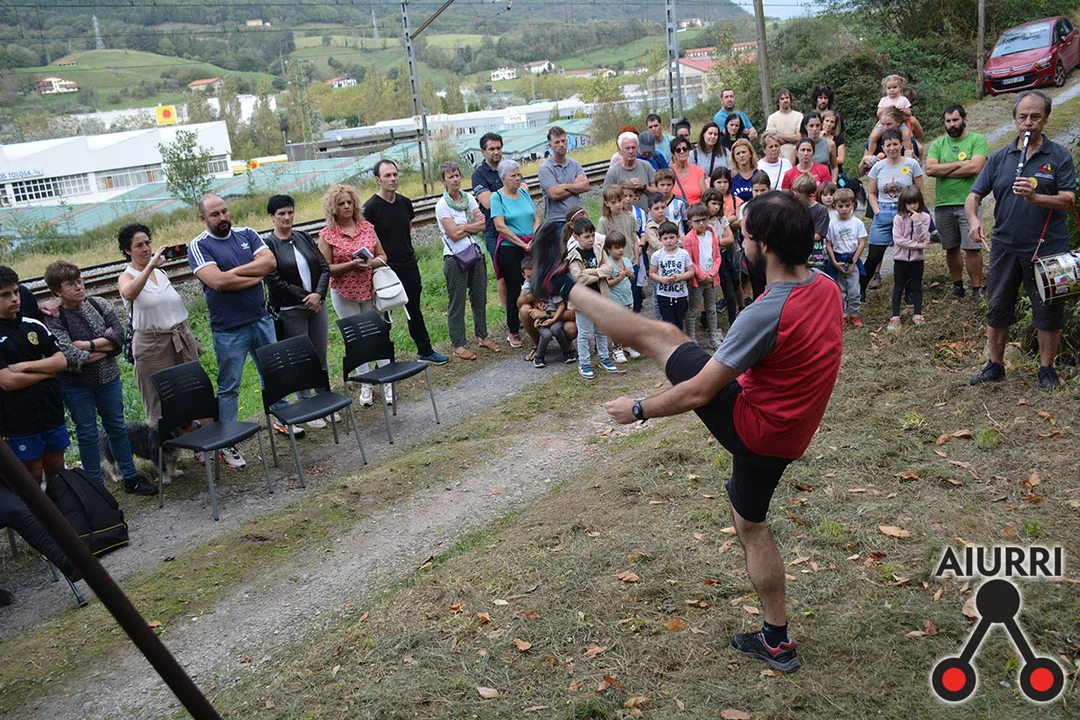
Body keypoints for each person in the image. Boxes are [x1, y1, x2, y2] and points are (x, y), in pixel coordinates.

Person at [530, 190, 843, 673]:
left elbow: (698, 392)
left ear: (766, 247)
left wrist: (639, 409)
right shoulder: (826, 287)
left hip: (756, 430)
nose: (740, 242)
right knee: (751, 524)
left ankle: (560, 285)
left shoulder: (766, 312)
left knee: (665, 336)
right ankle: (776, 640)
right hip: (790, 432)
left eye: (745, 236)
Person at [966, 90, 1076, 390]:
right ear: (1015, 119)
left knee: (1048, 309)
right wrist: (974, 220)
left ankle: (1046, 370)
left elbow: (1068, 200)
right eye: (1023, 117)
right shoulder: (1000, 157)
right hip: (1005, 245)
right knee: (998, 305)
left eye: (1035, 117)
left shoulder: (1058, 156)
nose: (1029, 123)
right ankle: (995, 365)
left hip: (1048, 247)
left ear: (1046, 119)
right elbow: (974, 196)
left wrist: (1037, 197)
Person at [188, 193, 289, 468]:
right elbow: (217, 282)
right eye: (215, 214)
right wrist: (253, 276)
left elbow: (269, 264)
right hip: (229, 329)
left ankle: (283, 418)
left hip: (260, 319)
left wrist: (232, 274)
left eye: (224, 211)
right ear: (203, 218)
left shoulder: (247, 233)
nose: (222, 217)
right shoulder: (199, 245)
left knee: (273, 372)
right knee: (229, 385)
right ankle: (227, 441)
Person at [43, 261, 156, 495]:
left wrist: (88, 345)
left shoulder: (99, 304)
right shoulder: (55, 318)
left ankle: (131, 477)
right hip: (76, 387)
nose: (79, 287)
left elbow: (120, 338)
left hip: (108, 380)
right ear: (57, 291)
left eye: (80, 281)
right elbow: (70, 356)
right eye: (71, 284)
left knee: (117, 428)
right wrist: (106, 347)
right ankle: (95, 487)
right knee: (87, 434)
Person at [363, 159, 449, 365]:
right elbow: (368, 240)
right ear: (378, 180)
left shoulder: (405, 203)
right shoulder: (370, 208)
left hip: (408, 265)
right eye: (388, 175)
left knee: (414, 311)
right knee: (384, 316)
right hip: (384, 270)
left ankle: (425, 351)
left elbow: (406, 230)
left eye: (395, 174)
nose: (393, 179)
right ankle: (384, 360)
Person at [117, 224, 201, 426]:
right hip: (152, 345)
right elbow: (129, 292)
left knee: (193, 391)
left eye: (148, 243)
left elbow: (174, 309)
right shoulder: (127, 276)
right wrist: (150, 267)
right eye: (139, 245)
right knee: (159, 399)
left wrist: (192, 338)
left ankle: (201, 438)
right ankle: (164, 444)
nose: (146, 249)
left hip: (180, 337)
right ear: (128, 251)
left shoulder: (161, 273)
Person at [319, 183, 392, 407]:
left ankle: (387, 380)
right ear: (333, 207)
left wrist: (371, 263)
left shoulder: (367, 227)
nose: (347, 206)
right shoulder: (327, 234)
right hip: (344, 292)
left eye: (350, 202)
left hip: (370, 288)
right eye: (341, 203)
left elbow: (382, 256)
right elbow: (325, 267)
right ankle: (365, 382)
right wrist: (351, 265)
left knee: (376, 332)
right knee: (356, 337)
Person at [263, 196, 334, 424]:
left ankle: (326, 402)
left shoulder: (302, 237)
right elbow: (273, 279)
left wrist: (318, 294)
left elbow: (324, 267)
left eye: (290, 212)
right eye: (281, 214)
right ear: (272, 216)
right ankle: (307, 407)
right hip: (291, 310)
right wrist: (306, 296)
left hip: (317, 305)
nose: (287, 217)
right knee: (300, 359)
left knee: (320, 356)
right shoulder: (268, 245)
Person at [0, 266, 70, 486]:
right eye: (5, 295)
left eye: (16, 292)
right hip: (18, 420)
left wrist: (24, 367)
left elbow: (61, 361)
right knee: (31, 474)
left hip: (51, 411)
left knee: (57, 468)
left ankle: (60, 507)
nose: (14, 299)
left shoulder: (34, 325)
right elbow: (8, 381)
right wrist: (47, 371)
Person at [436, 161, 500, 361]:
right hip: (455, 257)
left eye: (457, 175)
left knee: (479, 296)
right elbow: (453, 235)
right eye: (450, 176)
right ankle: (458, 344)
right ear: (444, 180)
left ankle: (483, 335)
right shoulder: (442, 205)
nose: (455, 179)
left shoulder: (469, 198)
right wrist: (469, 226)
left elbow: (483, 224)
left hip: (475, 252)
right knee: (457, 301)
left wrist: (463, 227)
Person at [924, 105, 989, 299]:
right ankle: (957, 286)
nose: (951, 124)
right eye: (948, 121)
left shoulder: (977, 140)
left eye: (955, 120)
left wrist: (944, 169)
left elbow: (975, 168)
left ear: (964, 119)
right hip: (943, 203)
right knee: (951, 247)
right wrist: (961, 164)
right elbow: (930, 170)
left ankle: (976, 288)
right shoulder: (938, 144)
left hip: (969, 202)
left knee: (972, 247)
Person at [862, 129, 924, 300]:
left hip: (905, 212)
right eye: (888, 145)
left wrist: (914, 212)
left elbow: (920, 190)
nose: (892, 148)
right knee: (874, 255)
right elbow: (872, 193)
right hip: (883, 211)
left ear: (901, 145)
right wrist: (877, 211)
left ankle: (909, 292)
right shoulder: (878, 167)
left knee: (907, 254)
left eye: (895, 144)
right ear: (883, 147)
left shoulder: (911, 164)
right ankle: (860, 291)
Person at [491, 159, 537, 349]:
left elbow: (535, 217)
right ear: (503, 178)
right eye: (513, 176)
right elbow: (500, 226)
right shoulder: (497, 198)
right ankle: (513, 329)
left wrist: (534, 238)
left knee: (536, 282)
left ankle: (538, 320)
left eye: (519, 175)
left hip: (531, 244)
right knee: (514, 289)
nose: (518, 178)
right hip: (510, 247)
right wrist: (522, 243)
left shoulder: (524, 193)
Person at [565, 215, 616, 379]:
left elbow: (610, 269)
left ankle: (604, 358)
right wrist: (600, 274)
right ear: (576, 237)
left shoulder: (599, 249)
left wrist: (591, 271)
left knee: (601, 331)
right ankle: (584, 363)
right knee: (585, 333)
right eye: (587, 236)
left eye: (593, 235)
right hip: (583, 302)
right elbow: (579, 278)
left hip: (600, 298)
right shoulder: (573, 255)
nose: (591, 239)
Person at [888, 185, 931, 330]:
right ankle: (895, 316)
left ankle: (918, 314)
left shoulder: (925, 217)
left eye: (915, 202)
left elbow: (922, 237)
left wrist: (917, 222)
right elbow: (898, 240)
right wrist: (918, 246)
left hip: (917, 260)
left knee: (917, 287)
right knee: (898, 287)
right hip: (900, 259)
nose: (912, 206)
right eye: (909, 203)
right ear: (903, 203)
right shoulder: (898, 218)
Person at [825, 188, 867, 327]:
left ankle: (854, 314)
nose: (844, 209)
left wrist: (853, 262)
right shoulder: (832, 224)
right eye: (840, 206)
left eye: (847, 205)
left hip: (852, 258)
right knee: (840, 290)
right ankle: (842, 315)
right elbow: (829, 243)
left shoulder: (857, 223)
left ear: (853, 205)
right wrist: (834, 261)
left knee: (854, 290)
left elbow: (862, 243)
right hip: (838, 258)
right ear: (834, 206)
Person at [683, 204, 723, 348]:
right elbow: (689, 261)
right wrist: (702, 275)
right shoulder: (688, 239)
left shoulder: (711, 234)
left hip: (712, 279)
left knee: (711, 308)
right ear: (690, 222)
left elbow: (717, 256)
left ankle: (713, 336)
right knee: (693, 310)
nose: (701, 223)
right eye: (697, 221)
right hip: (697, 281)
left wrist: (712, 273)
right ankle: (691, 339)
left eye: (704, 220)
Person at [538, 126, 589, 235]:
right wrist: (576, 186)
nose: (561, 145)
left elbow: (585, 186)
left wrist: (565, 186)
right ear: (550, 146)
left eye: (563, 141)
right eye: (557, 142)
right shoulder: (545, 168)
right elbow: (555, 194)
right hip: (557, 222)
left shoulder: (574, 164)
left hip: (578, 218)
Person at [649, 221, 694, 329]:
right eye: (665, 238)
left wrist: (680, 277)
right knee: (668, 322)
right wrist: (661, 279)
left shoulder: (684, 254)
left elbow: (691, 272)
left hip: (680, 294)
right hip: (663, 294)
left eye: (671, 237)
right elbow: (651, 273)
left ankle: (679, 339)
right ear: (660, 239)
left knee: (679, 321)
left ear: (677, 237)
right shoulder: (656, 255)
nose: (669, 241)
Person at [470, 132, 504, 270]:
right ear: (483, 151)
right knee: (502, 271)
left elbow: (524, 191)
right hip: (494, 231)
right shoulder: (478, 175)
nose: (496, 152)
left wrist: (497, 195)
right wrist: (511, 192)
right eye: (492, 149)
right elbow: (488, 203)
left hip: (516, 226)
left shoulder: (509, 168)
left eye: (499, 148)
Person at [604, 231, 636, 362]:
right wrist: (620, 277)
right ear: (609, 249)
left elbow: (632, 278)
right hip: (615, 300)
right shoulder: (608, 264)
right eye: (617, 248)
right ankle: (617, 349)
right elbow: (607, 283)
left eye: (622, 247)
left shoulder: (627, 261)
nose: (620, 250)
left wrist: (629, 273)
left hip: (628, 299)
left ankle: (627, 345)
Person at [604, 132, 656, 210]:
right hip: (622, 215)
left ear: (638, 148)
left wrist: (643, 187)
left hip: (645, 214)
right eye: (627, 148)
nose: (631, 151)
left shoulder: (646, 166)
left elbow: (657, 192)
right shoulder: (613, 171)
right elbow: (607, 197)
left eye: (633, 147)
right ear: (620, 150)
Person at [790, 174, 830, 272]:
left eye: (799, 197)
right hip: (797, 255)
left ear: (811, 195)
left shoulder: (821, 210)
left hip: (814, 256)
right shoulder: (795, 208)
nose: (796, 200)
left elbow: (817, 236)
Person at [797, 112, 838, 182]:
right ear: (806, 126)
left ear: (821, 126)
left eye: (817, 125)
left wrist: (833, 182)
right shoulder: (799, 146)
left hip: (824, 182)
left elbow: (834, 167)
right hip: (803, 183)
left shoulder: (830, 144)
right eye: (811, 126)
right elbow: (791, 169)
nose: (815, 129)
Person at [668, 136, 707, 208]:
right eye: (678, 150)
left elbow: (704, 197)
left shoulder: (698, 171)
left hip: (696, 211)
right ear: (673, 154)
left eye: (684, 149)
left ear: (689, 152)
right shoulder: (669, 174)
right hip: (676, 212)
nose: (682, 152)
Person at [765, 88, 804, 161]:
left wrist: (780, 135)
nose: (785, 100)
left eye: (787, 98)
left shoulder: (799, 116)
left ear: (790, 100)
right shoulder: (772, 118)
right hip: (778, 158)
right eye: (782, 99)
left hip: (797, 157)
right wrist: (792, 139)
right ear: (778, 102)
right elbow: (771, 140)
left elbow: (799, 137)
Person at [729, 139, 759, 205]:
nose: (741, 155)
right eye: (738, 153)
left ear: (750, 154)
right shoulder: (730, 176)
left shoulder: (760, 174)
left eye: (744, 152)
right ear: (734, 158)